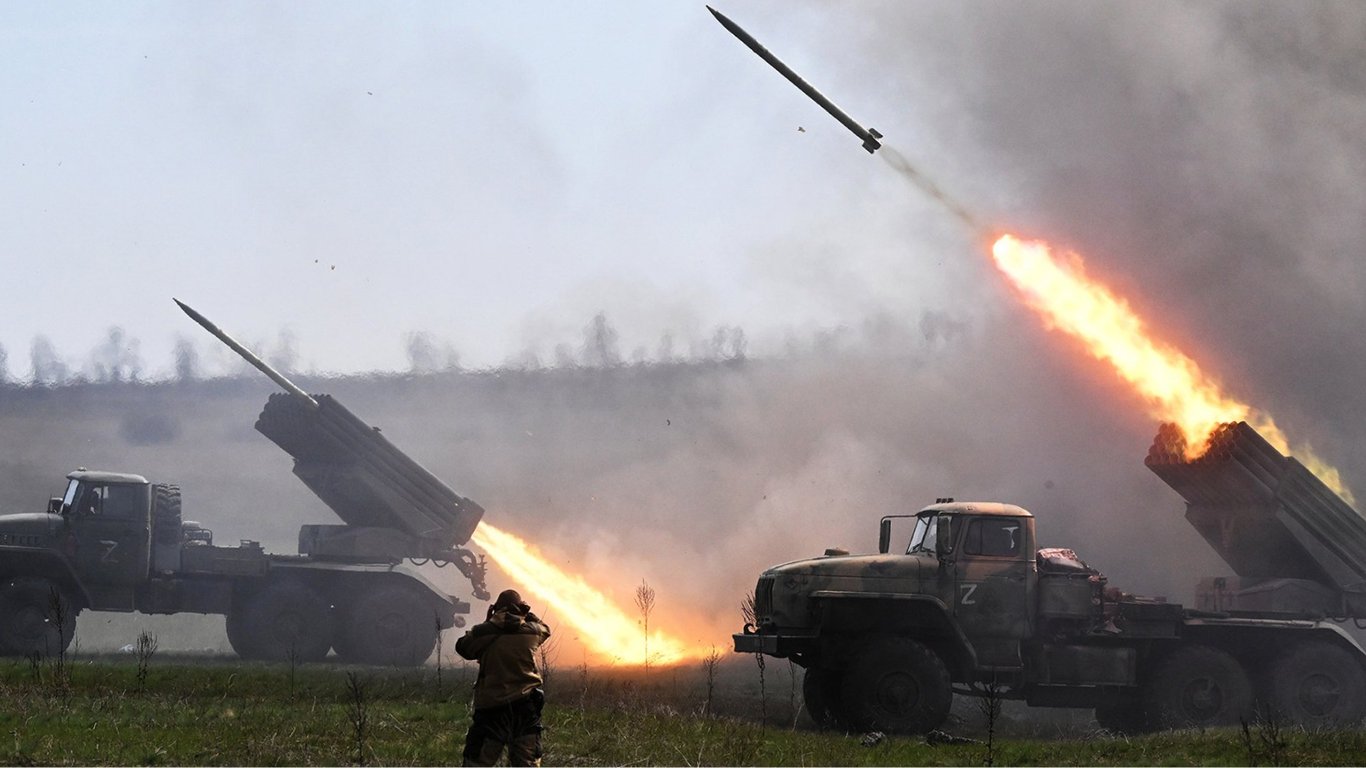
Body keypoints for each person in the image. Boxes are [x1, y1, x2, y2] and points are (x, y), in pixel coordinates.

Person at [455, 589, 552, 767]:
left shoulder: (483, 633)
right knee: (526, 763)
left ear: (496, 609)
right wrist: (527, 613)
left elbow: (462, 647)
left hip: (492, 709)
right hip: (525, 709)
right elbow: (546, 628)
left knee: (477, 762)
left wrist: (488, 621)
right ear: (520, 608)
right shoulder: (531, 633)